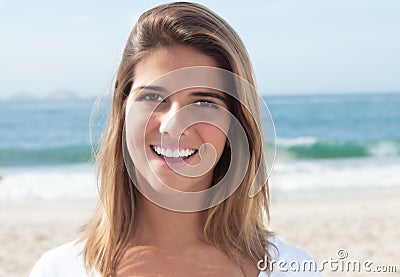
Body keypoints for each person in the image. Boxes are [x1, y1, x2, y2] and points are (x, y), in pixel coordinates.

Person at [30, 2, 322, 276]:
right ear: (122, 113)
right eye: (153, 97)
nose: (174, 125)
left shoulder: (292, 269)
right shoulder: (58, 269)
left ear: (236, 126)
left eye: (204, 102)